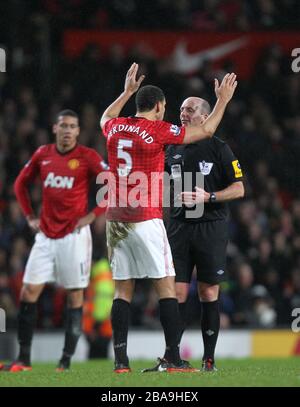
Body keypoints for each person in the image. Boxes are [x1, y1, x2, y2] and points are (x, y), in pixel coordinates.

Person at [100, 63, 238, 373]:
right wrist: (224, 101)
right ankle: (173, 358)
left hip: (116, 219)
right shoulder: (158, 130)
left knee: (123, 290)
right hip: (147, 218)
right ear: (160, 107)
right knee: (166, 289)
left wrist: (126, 92)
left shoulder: (115, 127)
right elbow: (206, 130)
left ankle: (121, 363)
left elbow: (104, 117)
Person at [0, 110, 107, 372]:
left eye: (73, 126)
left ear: (79, 131)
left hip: (74, 237)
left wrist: (93, 215)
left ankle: (66, 360)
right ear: (54, 128)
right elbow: (20, 184)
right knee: (28, 292)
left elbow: (112, 183)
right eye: (64, 126)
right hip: (46, 235)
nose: (68, 130)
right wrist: (29, 216)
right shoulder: (43, 154)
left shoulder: (87, 157)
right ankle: (24, 359)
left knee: (74, 295)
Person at [144, 96, 244, 372]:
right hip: (178, 226)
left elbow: (239, 189)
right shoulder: (172, 146)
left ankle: (208, 359)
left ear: (204, 116)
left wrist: (208, 196)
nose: (183, 113)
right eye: (181, 109)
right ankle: (171, 357)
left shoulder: (218, 148)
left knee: (208, 291)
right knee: (175, 292)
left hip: (210, 226)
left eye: (190, 109)